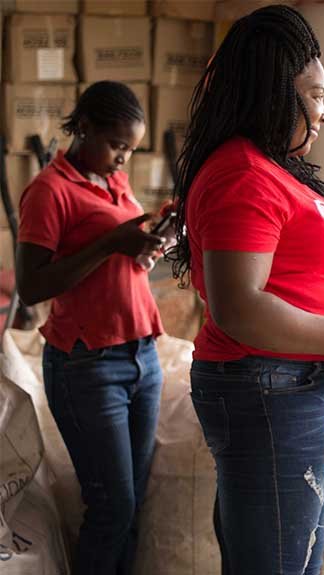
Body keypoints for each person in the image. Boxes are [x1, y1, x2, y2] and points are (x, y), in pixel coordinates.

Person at [164, 6, 324, 574]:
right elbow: (240, 306)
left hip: (292, 390)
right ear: (272, 93)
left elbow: (295, 275)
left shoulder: (270, 166)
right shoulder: (241, 174)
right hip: (270, 392)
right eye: (314, 96)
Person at [16, 80, 164, 575]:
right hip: (88, 365)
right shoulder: (48, 191)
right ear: (83, 129)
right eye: (117, 145)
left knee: (133, 507)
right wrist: (109, 245)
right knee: (111, 509)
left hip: (141, 356)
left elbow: (117, 258)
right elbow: (33, 286)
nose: (124, 159)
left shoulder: (112, 181)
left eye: (132, 149)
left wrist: (143, 248)